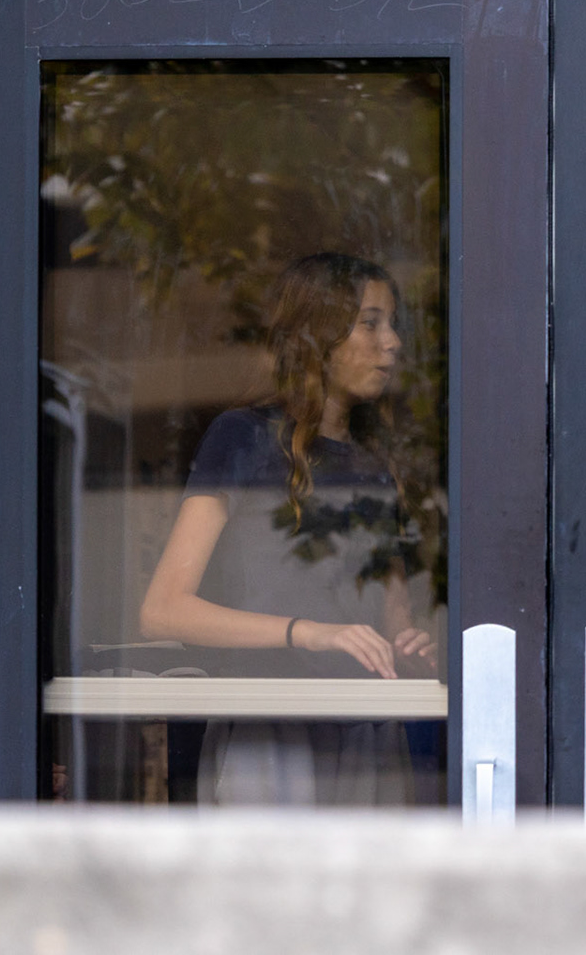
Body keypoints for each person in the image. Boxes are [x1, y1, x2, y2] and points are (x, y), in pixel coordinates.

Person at [139, 252, 435, 806]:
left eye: (393, 324)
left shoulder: (379, 462)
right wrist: (309, 631)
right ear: (317, 335)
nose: (392, 343)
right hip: (270, 729)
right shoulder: (242, 436)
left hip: (369, 729)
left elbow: (393, 623)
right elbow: (163, 611)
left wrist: (415, 648)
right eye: (370, 323)